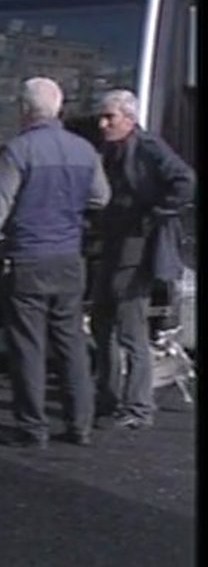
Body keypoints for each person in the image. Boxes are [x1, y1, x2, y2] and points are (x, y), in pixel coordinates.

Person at [0, 77, 110, 449]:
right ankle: (81, 424)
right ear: (59, 108)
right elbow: (101, 198)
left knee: (28, 345)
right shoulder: (84, 150)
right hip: (68, 258)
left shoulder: (19, 151)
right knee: (71, 341)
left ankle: (32, 426)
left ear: (25, 110)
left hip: (28, 258)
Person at [90, 89, 196, 429]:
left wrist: (157, 212)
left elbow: (185, 180)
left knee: (129, 323)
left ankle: (138, 405)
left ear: (130, 119)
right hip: (114, 240)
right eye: (102, 116)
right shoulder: (111, 148)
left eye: (110, 117)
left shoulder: (148, 147)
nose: (103, 123)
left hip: (137, 242)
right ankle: (107, 396)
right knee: (103, 320)